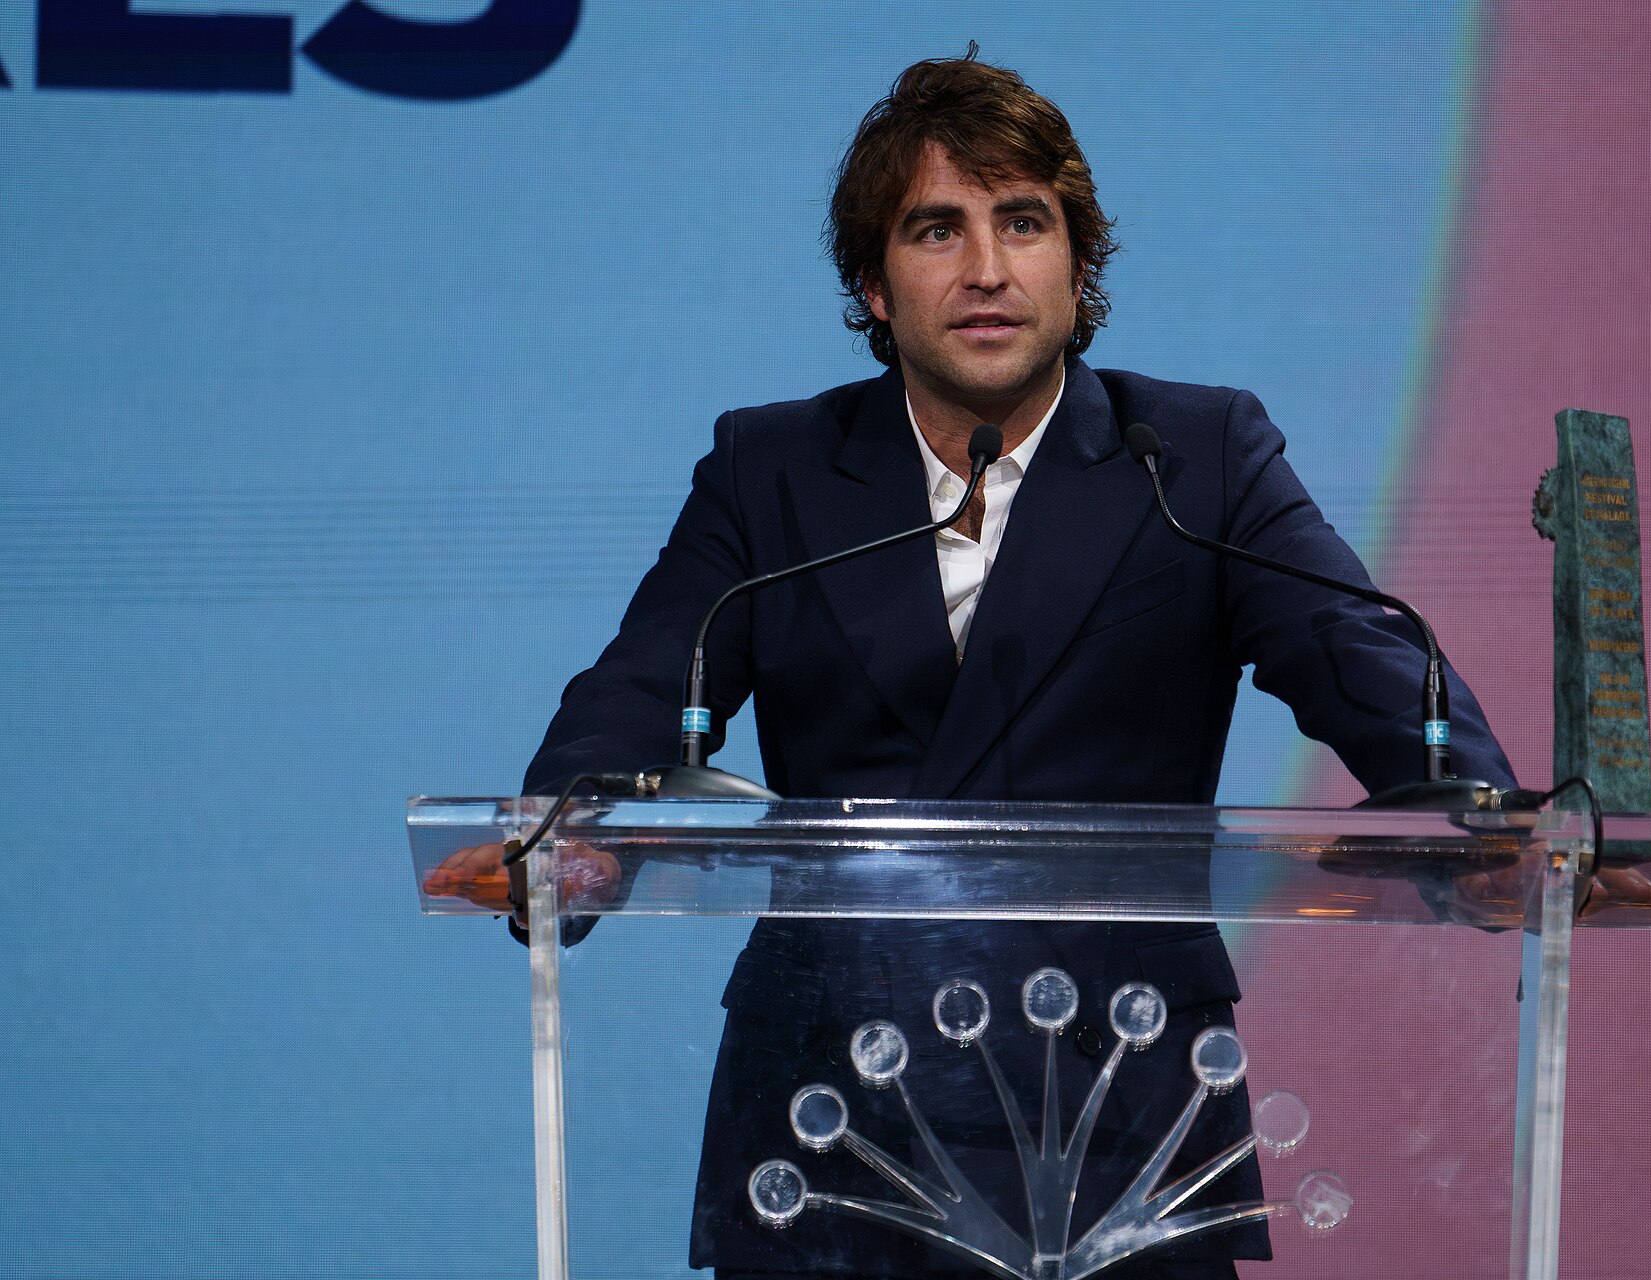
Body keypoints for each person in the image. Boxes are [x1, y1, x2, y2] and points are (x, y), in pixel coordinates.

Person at [432, 51, 1515, 1279]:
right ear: (874, 284)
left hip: (1116, 1095)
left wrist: (1479, 824)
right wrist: (562, 829)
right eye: (938, 229)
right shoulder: (773, 468)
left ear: (1076, 262)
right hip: (834, 1107)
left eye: (1024, 223)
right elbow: (642, 680)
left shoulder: (1194, 456)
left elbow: (1354, 649)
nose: (988, 269)